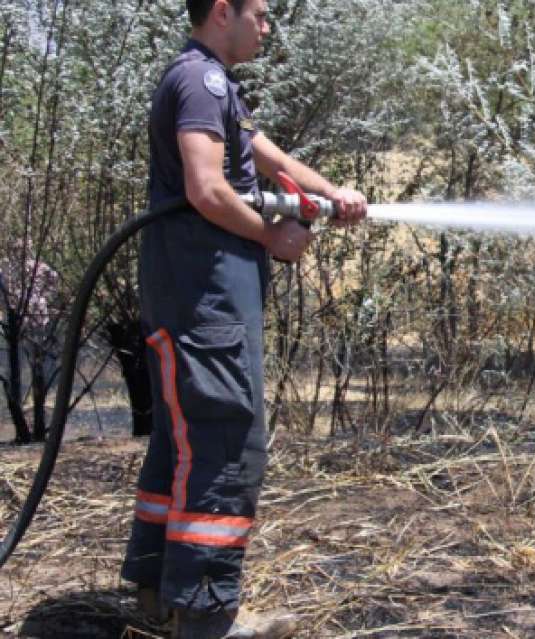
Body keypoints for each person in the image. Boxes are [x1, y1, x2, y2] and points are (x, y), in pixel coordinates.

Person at [120, 1, 367, 637]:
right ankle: (207, 617)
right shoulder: (200, 82)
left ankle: (158, 597)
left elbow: (265, 156)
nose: (267, 26)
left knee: (184, 440)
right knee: (228, 443)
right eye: (258, 13)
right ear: (222, 11)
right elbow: (207, 189)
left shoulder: (210, 82)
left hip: (190, 286)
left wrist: (333, 196)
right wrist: (270, 237)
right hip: (205, 294)